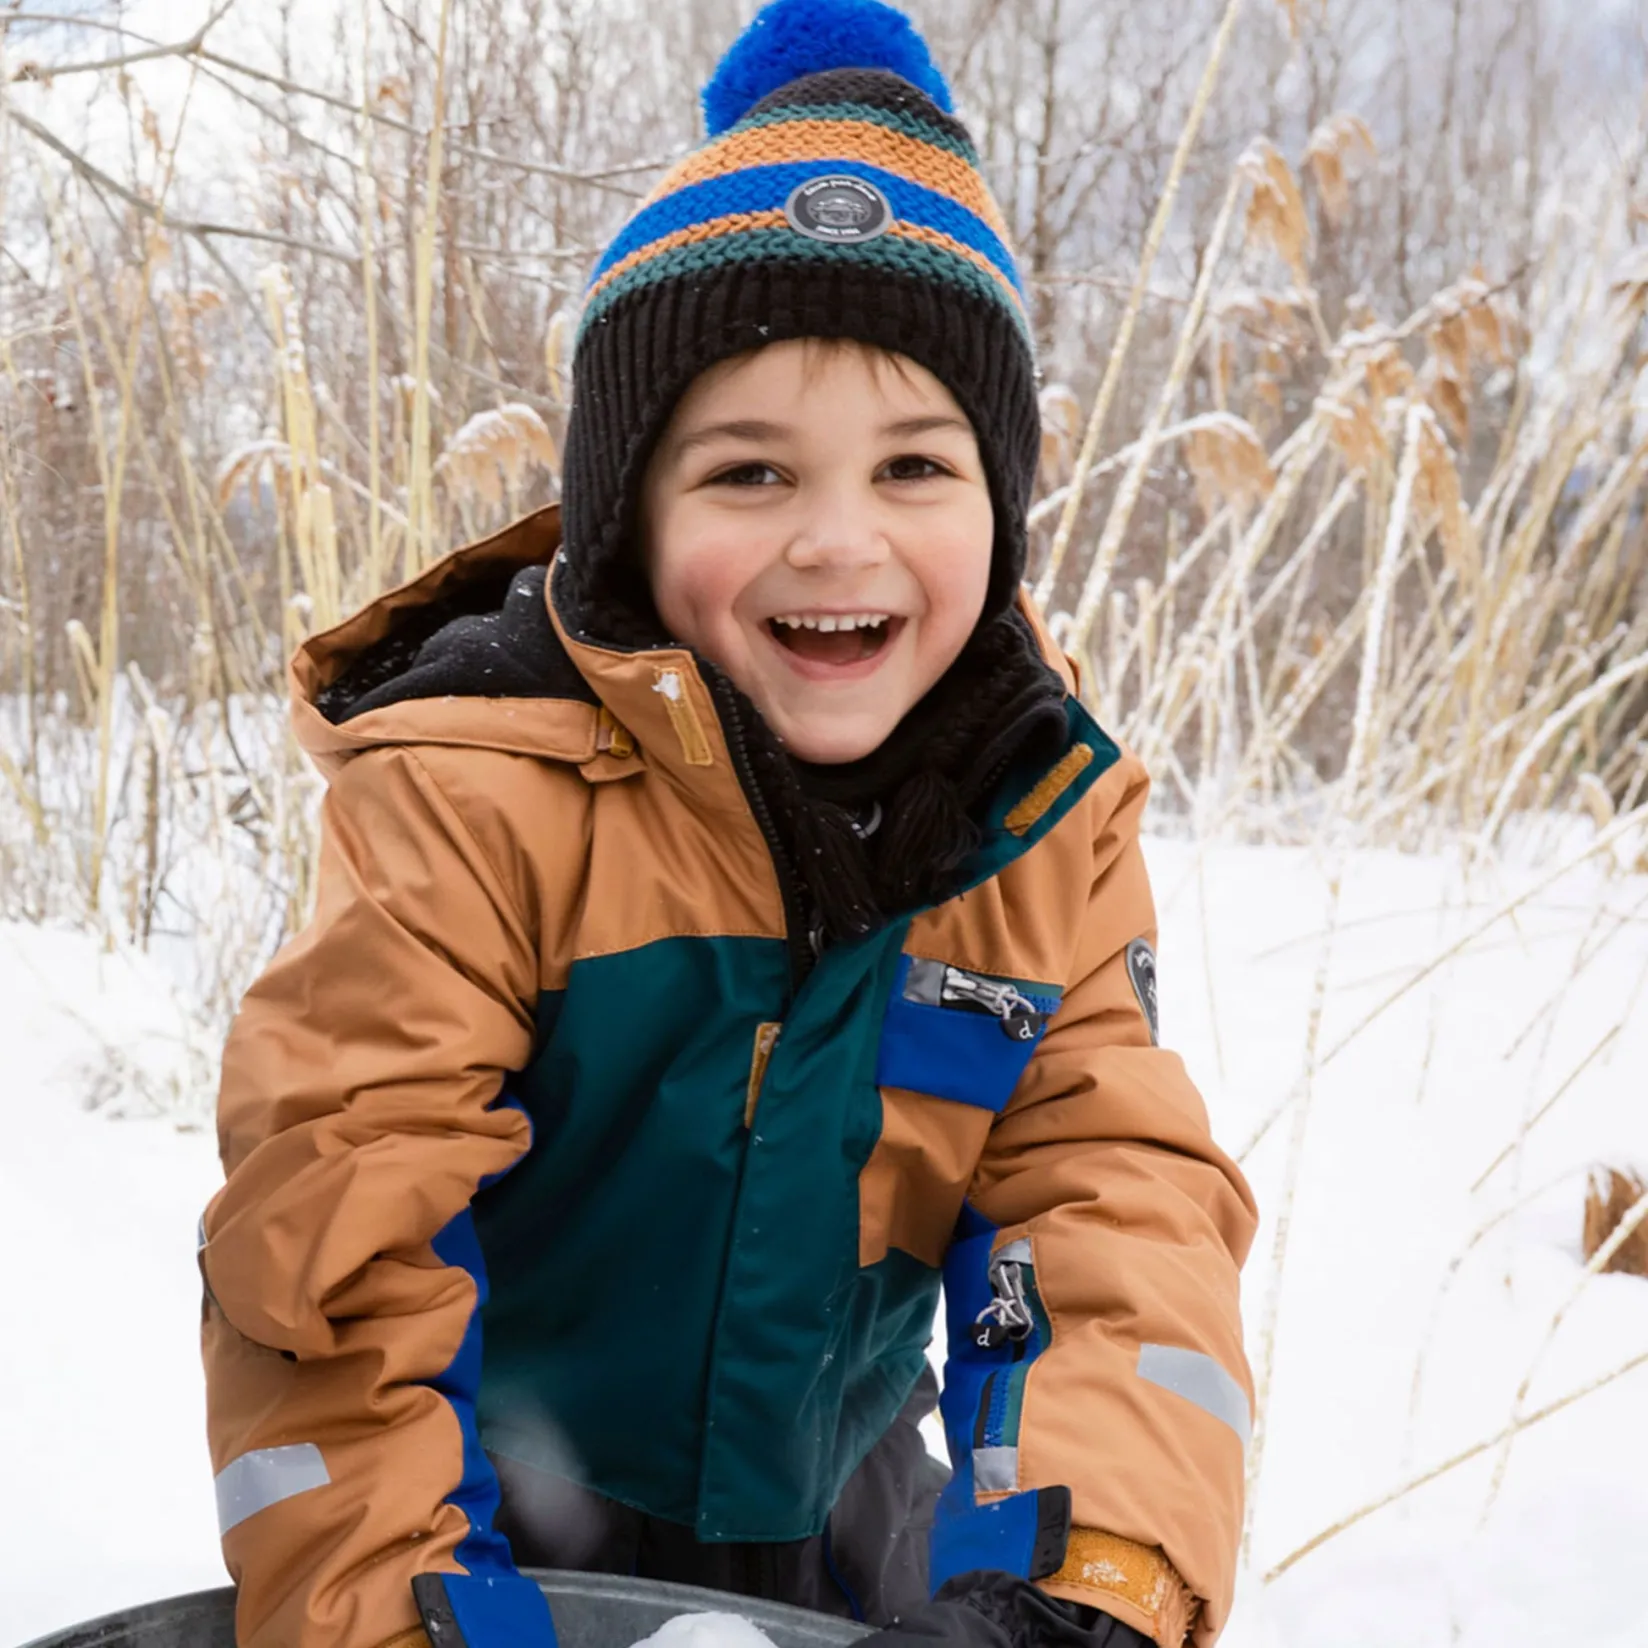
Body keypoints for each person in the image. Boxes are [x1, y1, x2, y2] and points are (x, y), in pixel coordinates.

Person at [198, 4, 1257, 1648]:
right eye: (751, 475)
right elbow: (341, 1219)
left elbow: (1108, 1199)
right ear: (630, 515)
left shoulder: (1036, 813)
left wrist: (1091, 1573)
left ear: (1001, 510)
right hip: (493, 1497)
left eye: (916, 466)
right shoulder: (480, 790)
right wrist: (395, 1599)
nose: (841, 542)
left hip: (844, 1485)